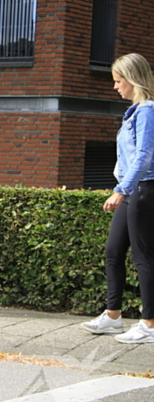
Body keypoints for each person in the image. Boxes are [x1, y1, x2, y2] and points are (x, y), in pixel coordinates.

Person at [80, 53, 154, 344]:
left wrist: (121, 189)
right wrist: (122, 185)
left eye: (118, 81)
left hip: (144, 189)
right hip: (132, 189)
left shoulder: (147, 110)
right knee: (113, 250)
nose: (115, 87)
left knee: (143, 256)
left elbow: (144, 156)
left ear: (133, 80)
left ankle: (149, 324)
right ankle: (113, 316)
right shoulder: (135, 112)